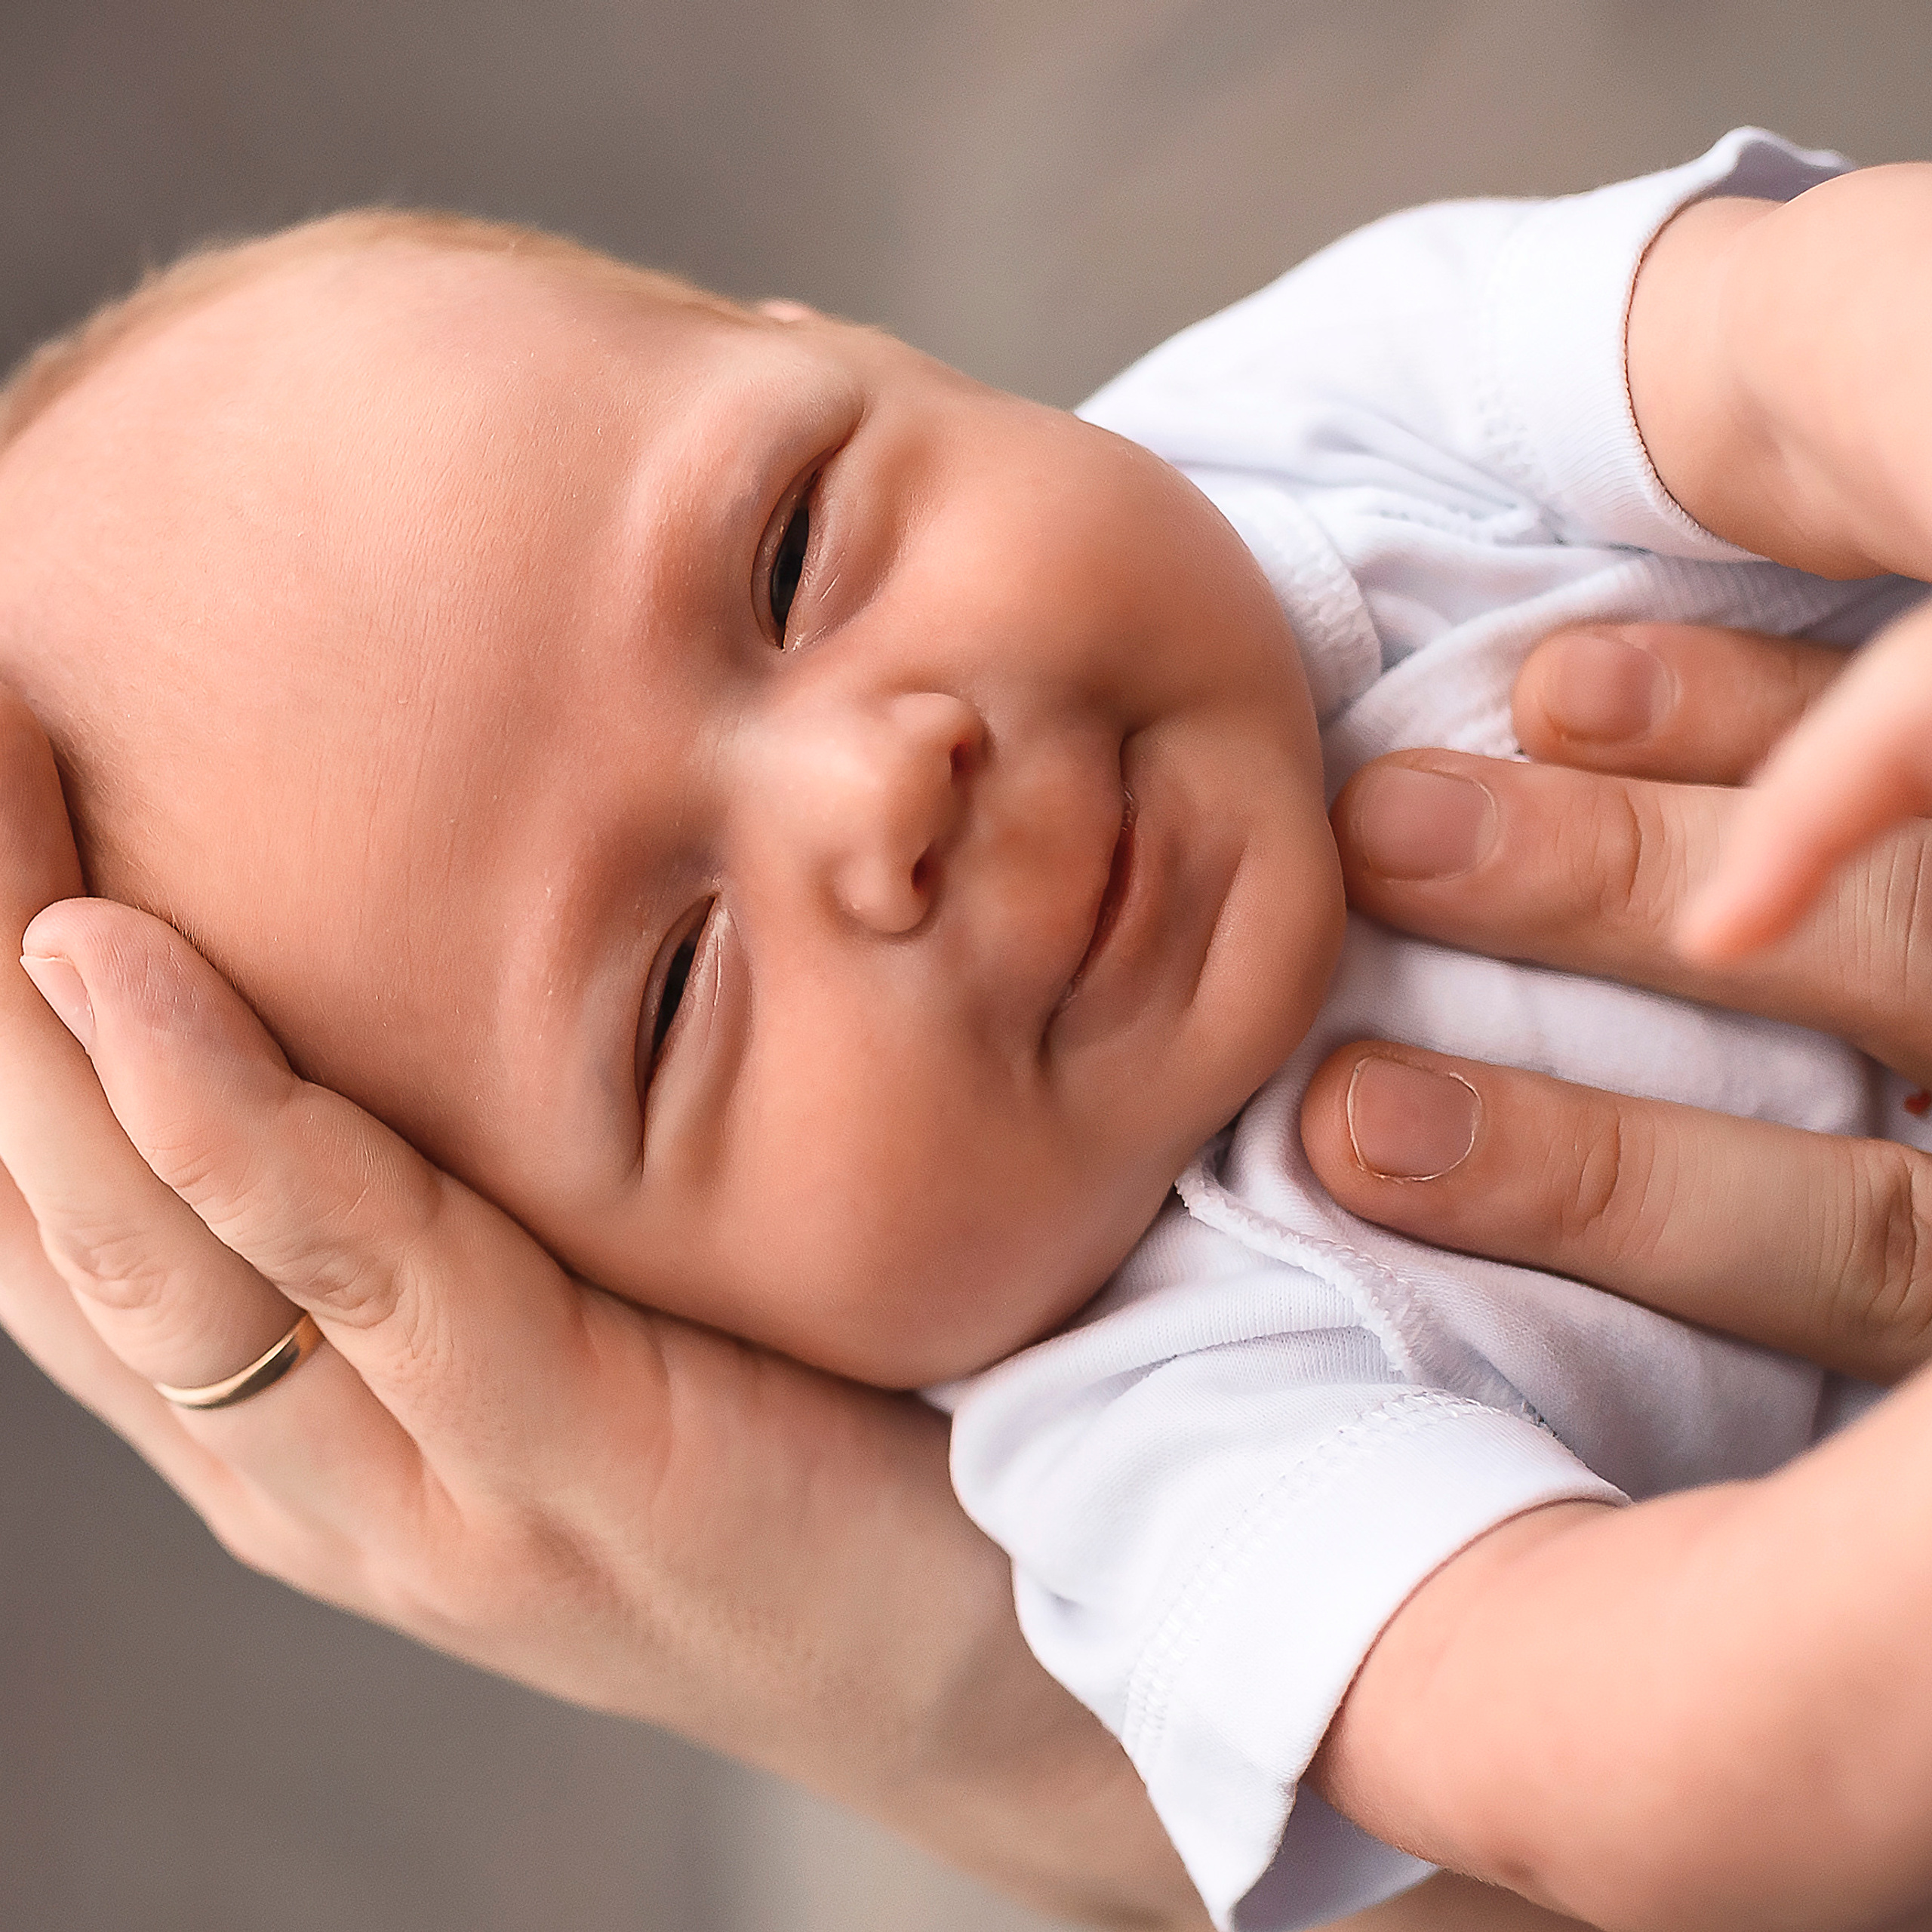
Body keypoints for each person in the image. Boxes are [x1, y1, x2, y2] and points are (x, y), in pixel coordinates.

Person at [5, 127, 1932, 1929]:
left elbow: (1800, 331)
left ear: (839, 347)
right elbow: (1667, 1745)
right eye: (676, 984)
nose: (878, 786)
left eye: (785, 551)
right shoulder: (1153, 1444)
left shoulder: (1315, 431)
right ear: (643, 1313)